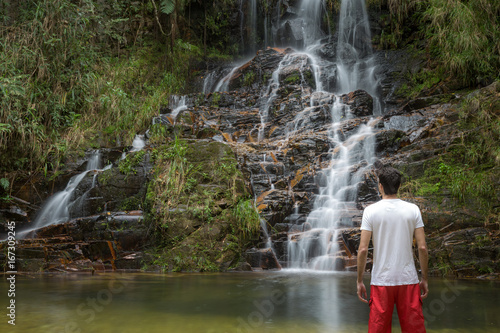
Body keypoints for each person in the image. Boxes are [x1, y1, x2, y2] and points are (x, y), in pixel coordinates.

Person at [357, 163, 429, 333]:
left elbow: (362, 249)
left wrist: (359, 280)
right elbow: (423, 247)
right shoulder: (413, 210)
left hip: (381, 280)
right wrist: (424, 278)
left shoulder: (370, 211)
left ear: (380, 186)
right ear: (399, 186)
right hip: (408, 280)